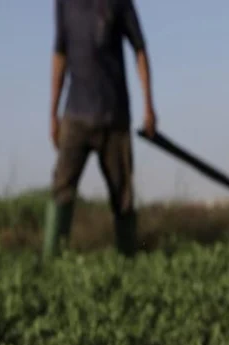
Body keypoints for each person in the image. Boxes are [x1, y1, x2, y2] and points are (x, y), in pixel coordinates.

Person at [45, 0, 157, 260]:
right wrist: (53, 113)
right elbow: (59, 54)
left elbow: (140, 50)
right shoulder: (64, 4)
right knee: (61, 190)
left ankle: (128, 262)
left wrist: (149, 106)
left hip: (114, 117)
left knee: (123, 198)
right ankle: (50, 264)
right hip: (76, 115)